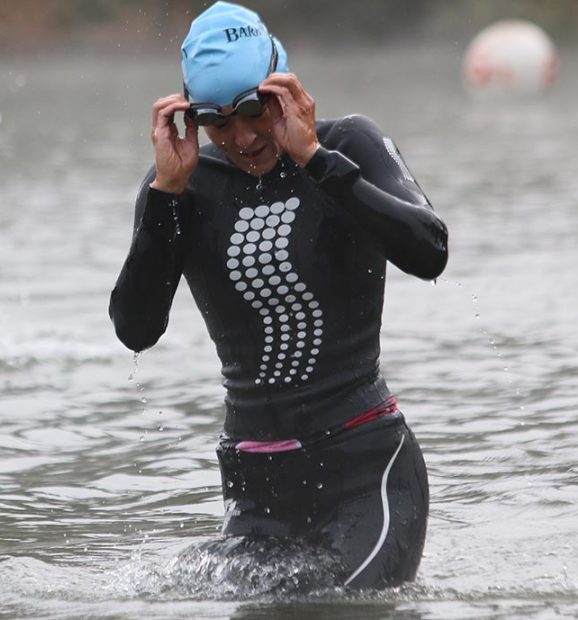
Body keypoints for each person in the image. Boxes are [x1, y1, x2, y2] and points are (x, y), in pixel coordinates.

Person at [109, 2, 448, 590]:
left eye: (254, 109)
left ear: (285, 90)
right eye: (219, 120)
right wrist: (166, 192)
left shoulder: (348, 146)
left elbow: (429, 251)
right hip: (255, 485)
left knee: (333, 603)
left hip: (366, 473)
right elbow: (136, 330)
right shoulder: (181, 185)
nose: (242, 136)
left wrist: (316, 160)